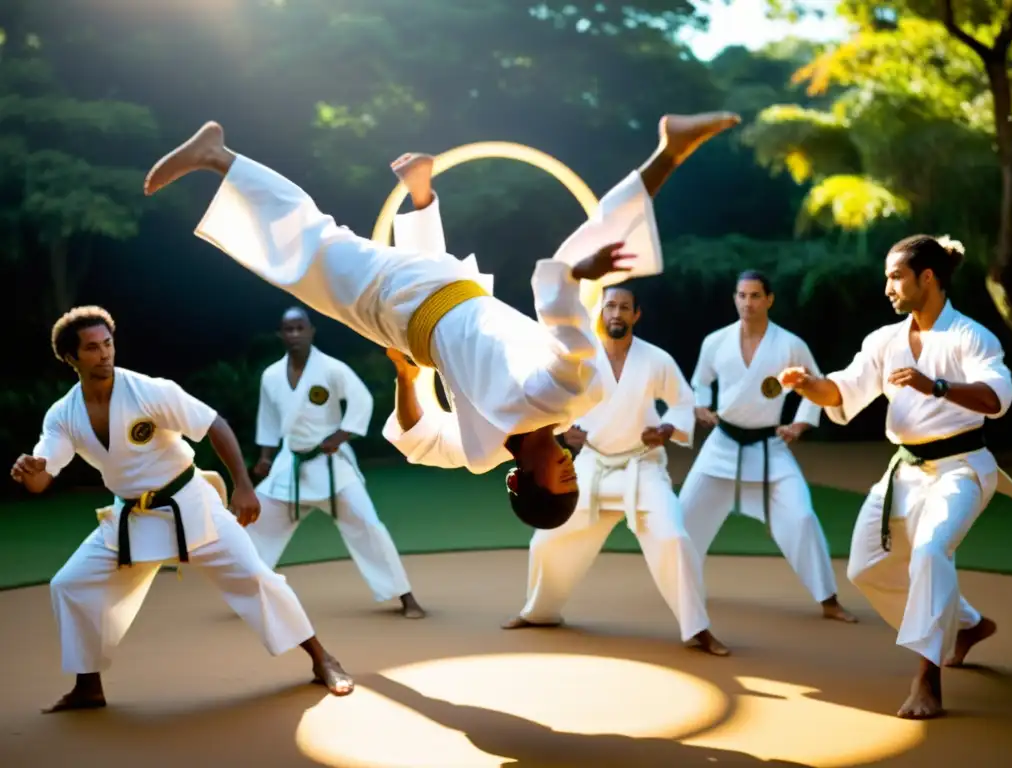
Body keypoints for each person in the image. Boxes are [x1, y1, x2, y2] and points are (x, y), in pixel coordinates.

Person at [142, 111, 741, 530]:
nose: (569, 465)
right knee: (315, 251)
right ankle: (220, 154)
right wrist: (576, 278)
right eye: (573, 476)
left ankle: (423, 196)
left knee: (327, 258)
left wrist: (407, 382)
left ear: (518, 482)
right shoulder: (568, 396)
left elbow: (421, 441)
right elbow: (570, 336)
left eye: (560, 478)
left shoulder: (483, 450)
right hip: (420, 300)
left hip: (417, 317)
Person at [10, 306, 353, 713]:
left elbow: (215, 425)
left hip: (190, 503)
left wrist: (243, 486)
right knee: (69, 584)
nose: (104, 354)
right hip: (131, 519)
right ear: (71, 357)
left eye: (108, 344)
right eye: (91, 348)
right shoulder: (63, 416)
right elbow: (42, 478)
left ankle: (322, 659)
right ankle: (88, 687)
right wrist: (28, 472)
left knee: (257, 578)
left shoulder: (149, 391)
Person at [778, 235, 1012, 719]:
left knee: (930, 550)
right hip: (905, 471)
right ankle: (966, 624)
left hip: (961, 470)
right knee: (864, 568)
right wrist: (808, 384)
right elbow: (842, 390)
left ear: (927, 278)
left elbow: (995, 400)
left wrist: (938, 386)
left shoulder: (971, 337)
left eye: (895, 276)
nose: (887, 287)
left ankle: (927, 680)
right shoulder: (884, 341)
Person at [496, 283, 729, 656]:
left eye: (624, 307)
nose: (616, 314)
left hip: (642, 466)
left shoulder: (655, 359)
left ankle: (697, 629)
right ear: (599, 312)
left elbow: (683, 401)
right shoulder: (581, 359)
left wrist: (667, 429)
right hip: (592, 465)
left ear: (636, 314)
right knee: (546, 540)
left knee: (673, 537)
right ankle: (539, 611)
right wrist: (562, 430)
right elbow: (551, 402)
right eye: (610, 306)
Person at [677, 270, 856, 624]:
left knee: (802, 517)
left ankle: (829, 600)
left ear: (769, 300)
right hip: (722, 445)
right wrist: (701, 405)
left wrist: (801, 423)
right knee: (682, 518)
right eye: (742, 296)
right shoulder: (716, 341)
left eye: (755, 296)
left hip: (769, 448)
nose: (748, 302)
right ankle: (679, 586)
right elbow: (700, 381)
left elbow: (816, 386)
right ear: (735, 299)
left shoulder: (789, 344)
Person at [248, 306, 424, 618]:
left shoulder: (332, 369)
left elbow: (362, 401)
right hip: (291, 466)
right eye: (288, 329)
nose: (295, 335)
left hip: (332, 466)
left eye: (300, 328)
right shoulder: (271, 376)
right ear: (281, 335)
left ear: (312, 331)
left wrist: (340, 436)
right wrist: (264, 458)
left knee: (368, 525)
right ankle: (248, 592)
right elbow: (268, 420)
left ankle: (405, 595)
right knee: (257, 526)